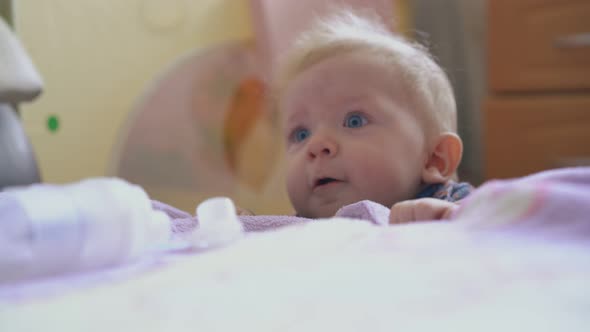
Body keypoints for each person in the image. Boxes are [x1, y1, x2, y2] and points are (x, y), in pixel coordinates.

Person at [271, 10, 472, 223]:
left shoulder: (457, 207)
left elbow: (504, 217)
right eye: (301, 134)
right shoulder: (296, 230)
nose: (316, 145)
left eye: (354, 121)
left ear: (434, 159)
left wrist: (447, 221)